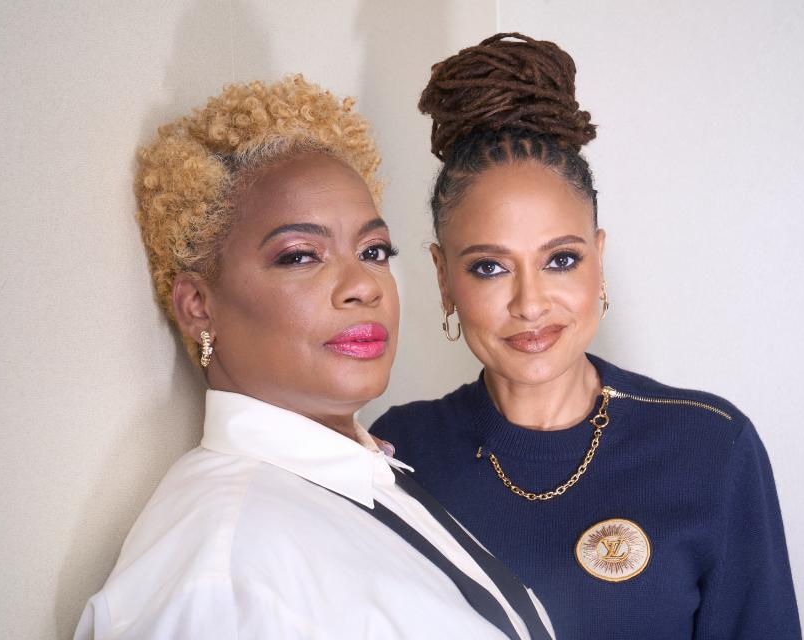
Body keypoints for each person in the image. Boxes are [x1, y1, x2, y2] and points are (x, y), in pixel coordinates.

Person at [74, 76, 553, 640]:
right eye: (302, 255)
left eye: (374, 251)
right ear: (198, 305)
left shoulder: (364, 478)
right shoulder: (221, 573)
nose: (364, 286)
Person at [372, 33, 802, 639]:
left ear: (598, 259)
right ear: (443, 279)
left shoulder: (710, 447)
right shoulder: (397, 453)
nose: (529, 304)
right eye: (489, 267)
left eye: (561, 259)